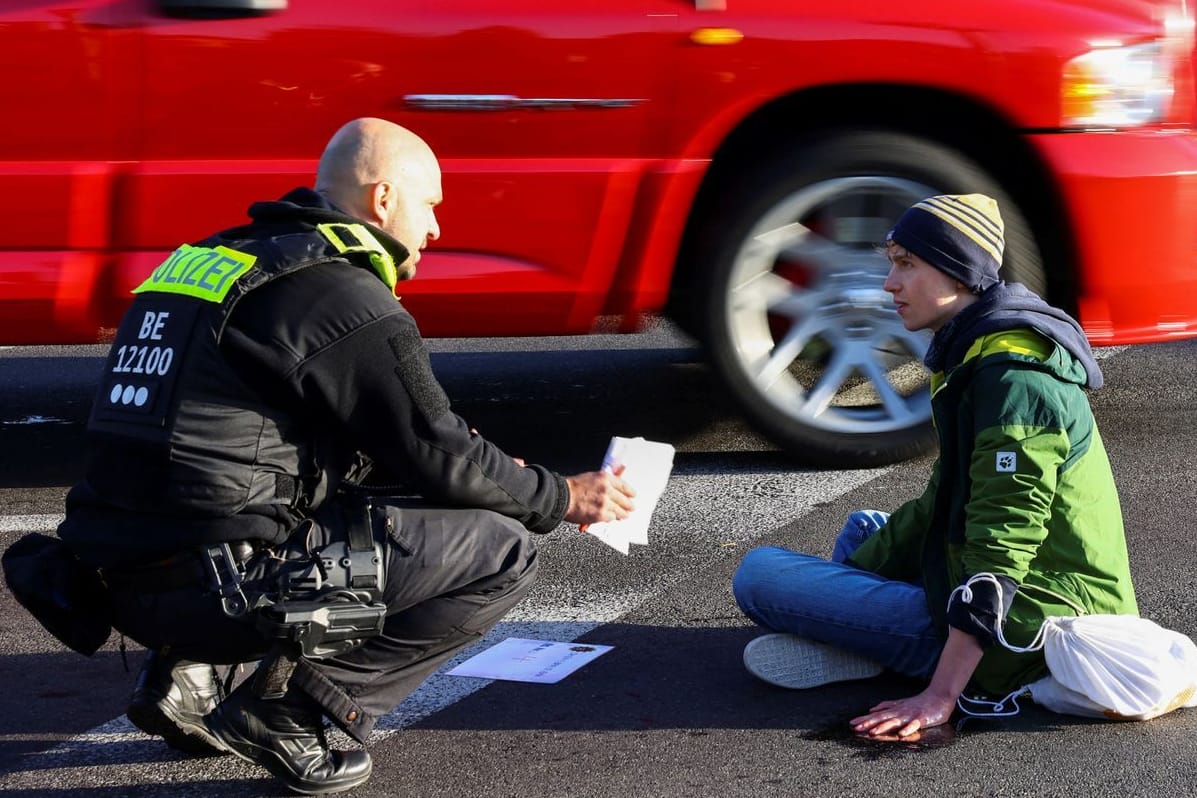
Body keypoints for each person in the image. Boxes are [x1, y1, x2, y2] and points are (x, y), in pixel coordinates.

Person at [55, 117, 635, 794]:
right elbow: (435, 451)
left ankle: (185, 675)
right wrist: (561, 496)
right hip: (222, 590)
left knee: (293, 482)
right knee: (503, 548)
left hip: (118, 580)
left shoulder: (214, 260)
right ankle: (288, 710)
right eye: (431, 206)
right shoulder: (342, 295)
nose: (436, 230)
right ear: (383, 199)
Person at [731, 193, 1137, 739]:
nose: (888, 284)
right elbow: (941, 503)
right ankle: (864, 642)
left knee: (759, 575)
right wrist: (845, 586)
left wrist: (941, 696)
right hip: (1018, 593)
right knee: (865, 528)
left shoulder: (1012, 378)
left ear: (959, 271)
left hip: (1035, 628)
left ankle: (897, 653)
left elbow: (1004, 538)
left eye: (906, 264)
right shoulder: (974, 350)